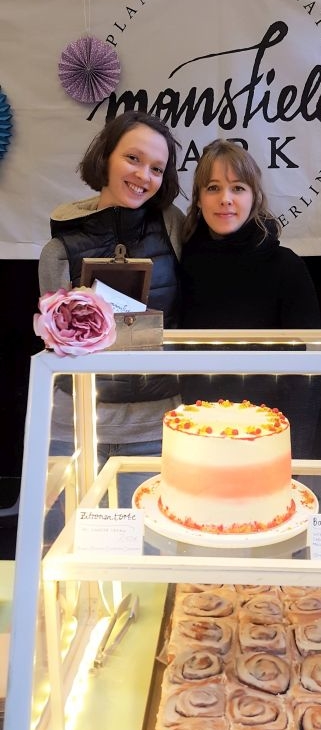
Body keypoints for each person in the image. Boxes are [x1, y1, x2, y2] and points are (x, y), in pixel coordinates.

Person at [38, 111, 185, 514]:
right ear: (106, 156)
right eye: (133, 159)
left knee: (148, 558)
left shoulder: (173, 229)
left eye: (157, 168)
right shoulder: (59, 248)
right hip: (75, 428)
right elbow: (54, 345)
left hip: (157, 427)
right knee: (64, 553)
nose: (144, 175)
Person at [179, 139, 321, 457]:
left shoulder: (287, 267)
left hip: (267, 439)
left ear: (255, 197)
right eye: (213, 188)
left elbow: (306, 378)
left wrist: (292, 452)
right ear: (199, 199)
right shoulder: (183, 263)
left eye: (238, 188)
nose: (225, 200)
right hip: (197, 434)